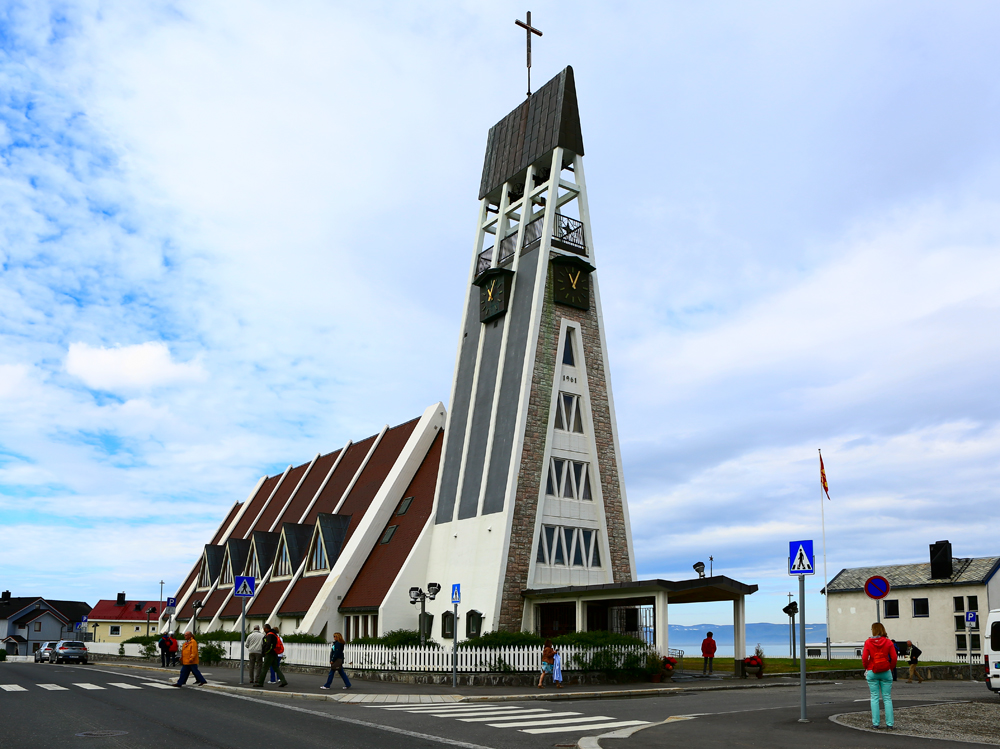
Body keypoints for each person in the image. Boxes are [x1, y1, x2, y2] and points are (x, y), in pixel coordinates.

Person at [862, 622, 897, 730]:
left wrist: (867, 667)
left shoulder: (868, 642)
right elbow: (894, 657)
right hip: (886, 671)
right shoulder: (888, 642)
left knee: (874, 697)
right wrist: (890, 668)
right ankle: (890, 724)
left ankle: (876, 723)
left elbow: (864, 658)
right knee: (887, 698)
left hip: (873, 671)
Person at [254, 623, 287, 688]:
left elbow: (269, 645)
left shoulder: (269, 635)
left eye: (264, 629)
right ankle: (283, 681)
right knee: (276, 668)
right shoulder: (274, 634)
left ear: (266, 628)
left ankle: (260, 683)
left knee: (264, 668)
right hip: (275, 653)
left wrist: (265, 652)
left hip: (269, 654)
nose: (264, 630)